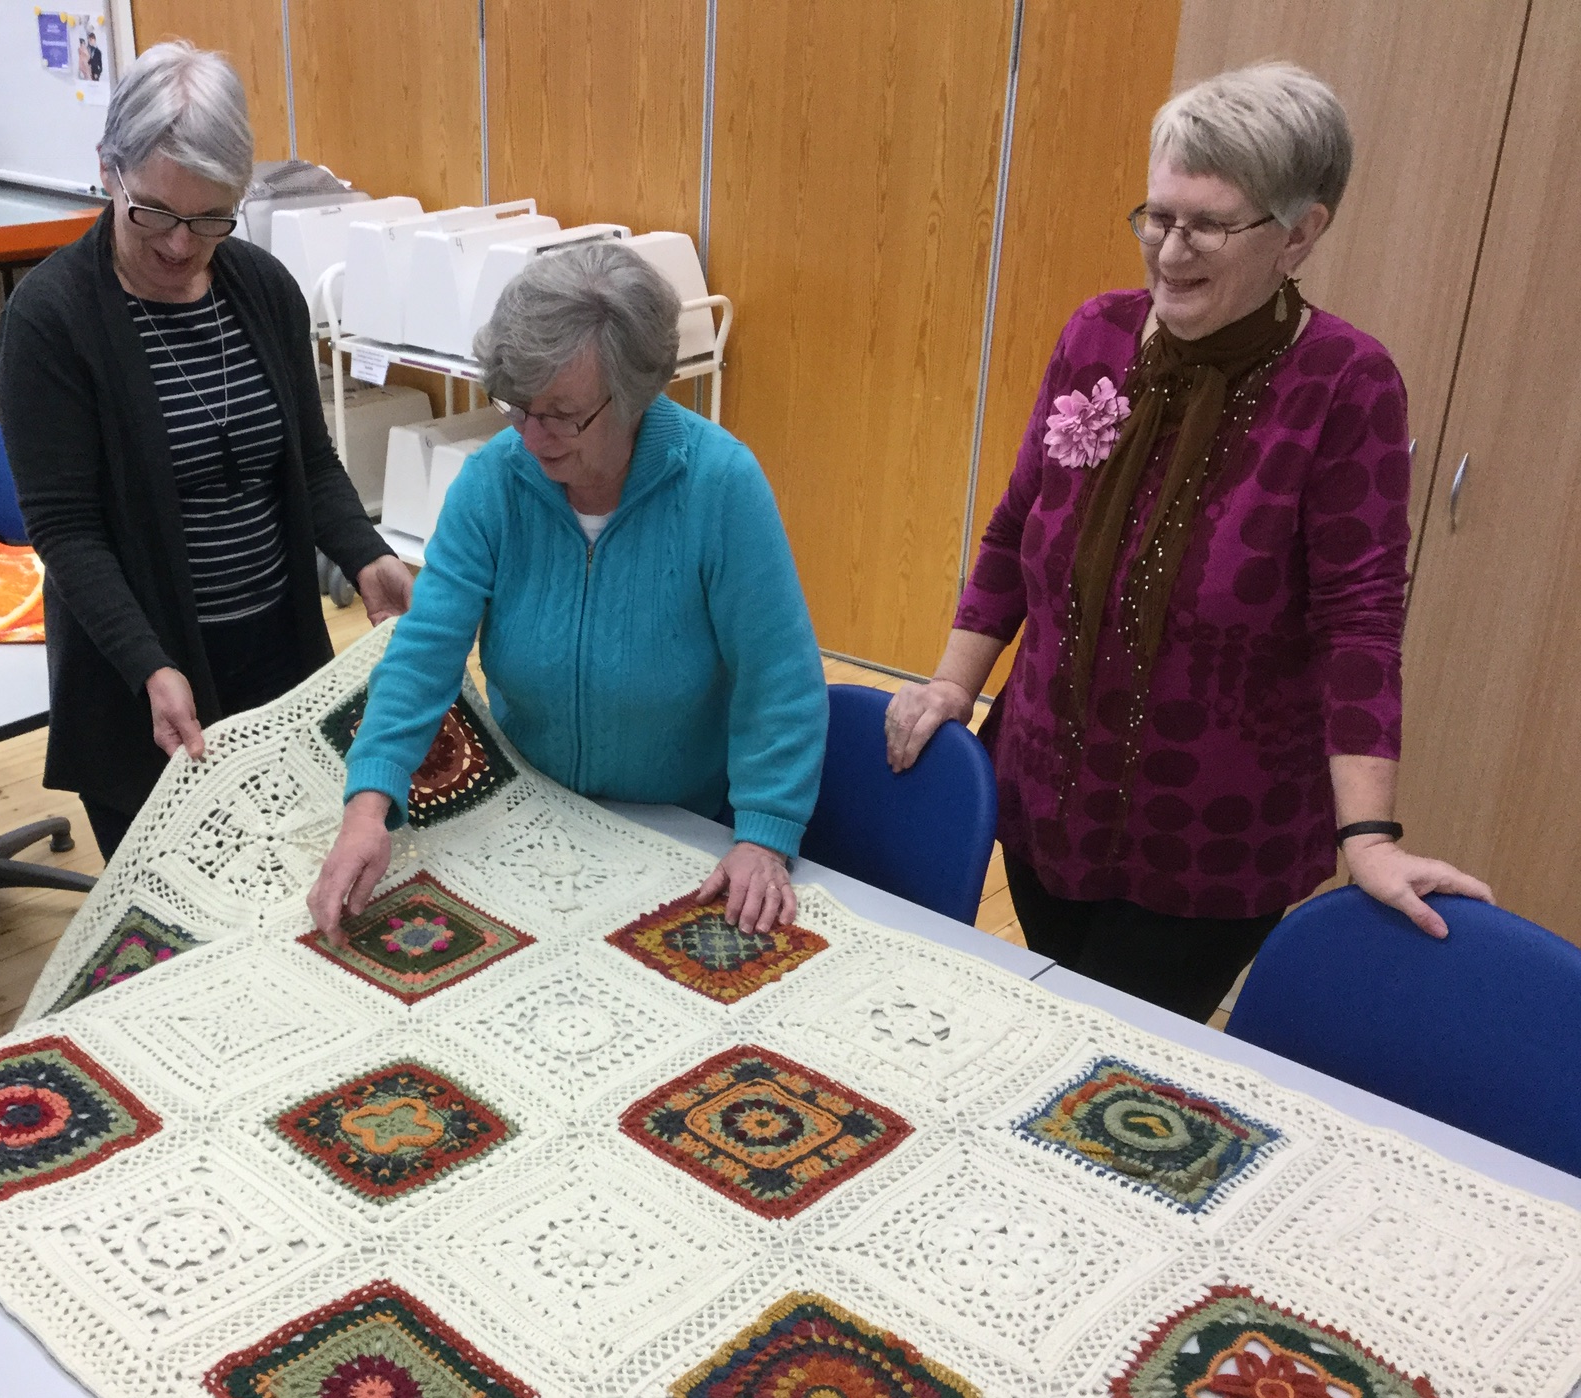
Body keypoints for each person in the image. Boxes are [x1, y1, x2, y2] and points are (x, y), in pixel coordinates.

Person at [885, 63, 1490, 1021]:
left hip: (1209, 844)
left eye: (1207, 225)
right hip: (1045, 796)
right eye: (1158, 216)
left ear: (1300, 233)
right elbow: (1017, 524)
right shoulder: (1097, 334)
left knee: (1109, 1042)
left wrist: (1369, 835)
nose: (1170, 251)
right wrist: (953, 685)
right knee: (1052, 1014)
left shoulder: (1346, 384)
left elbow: (1359, 625)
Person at [308, 242, 828, 942]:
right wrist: (368, 804)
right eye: (517, 406)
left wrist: (764, 835)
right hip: (534, 813)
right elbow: (424, 652)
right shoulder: (493, 484)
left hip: (684, 830)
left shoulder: (720, 486)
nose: (532, 437)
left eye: (562, 414)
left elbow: (780, 678)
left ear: (636, 393)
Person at [0, 43, 409, 860]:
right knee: (177, 916)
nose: (182, 246)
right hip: (143, 685)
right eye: (154, 213)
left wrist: (366, 554)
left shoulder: (263, 289)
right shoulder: (51, 319)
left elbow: (308, 463)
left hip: (275, 661)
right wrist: (148, 664)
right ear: (108, 170)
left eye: (212, 217)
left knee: (290, 892)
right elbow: (68, 531)